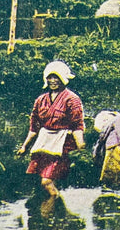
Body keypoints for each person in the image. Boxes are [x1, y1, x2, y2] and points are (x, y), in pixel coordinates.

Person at [17, 60, 85, 197]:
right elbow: (34, 127)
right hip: (43, 142)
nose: (53, 81)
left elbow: (77, 125)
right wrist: (24, 146)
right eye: (50, 77)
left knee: (46, 182)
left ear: (63, 78)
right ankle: (51, 212)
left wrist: (80, 147)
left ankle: (53, 206)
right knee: (38, 181)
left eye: (57, 77)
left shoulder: (72, 99)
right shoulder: (40, 100)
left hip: (62, 144)